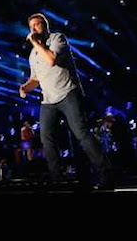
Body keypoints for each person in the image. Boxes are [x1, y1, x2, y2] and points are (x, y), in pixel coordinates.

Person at [19, 13, 112, 189]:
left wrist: (36, 43)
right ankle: (57, 180)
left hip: (68, 92)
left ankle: (106, 175)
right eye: (31, 27)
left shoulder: (57, 38)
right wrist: (25, 87)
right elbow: (36, 78)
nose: (34, 29)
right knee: (46, 137)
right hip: (48, 100)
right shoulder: (33, 53)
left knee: (81, 133)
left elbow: (52, 59)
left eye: (37, 25)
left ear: (45, 26)